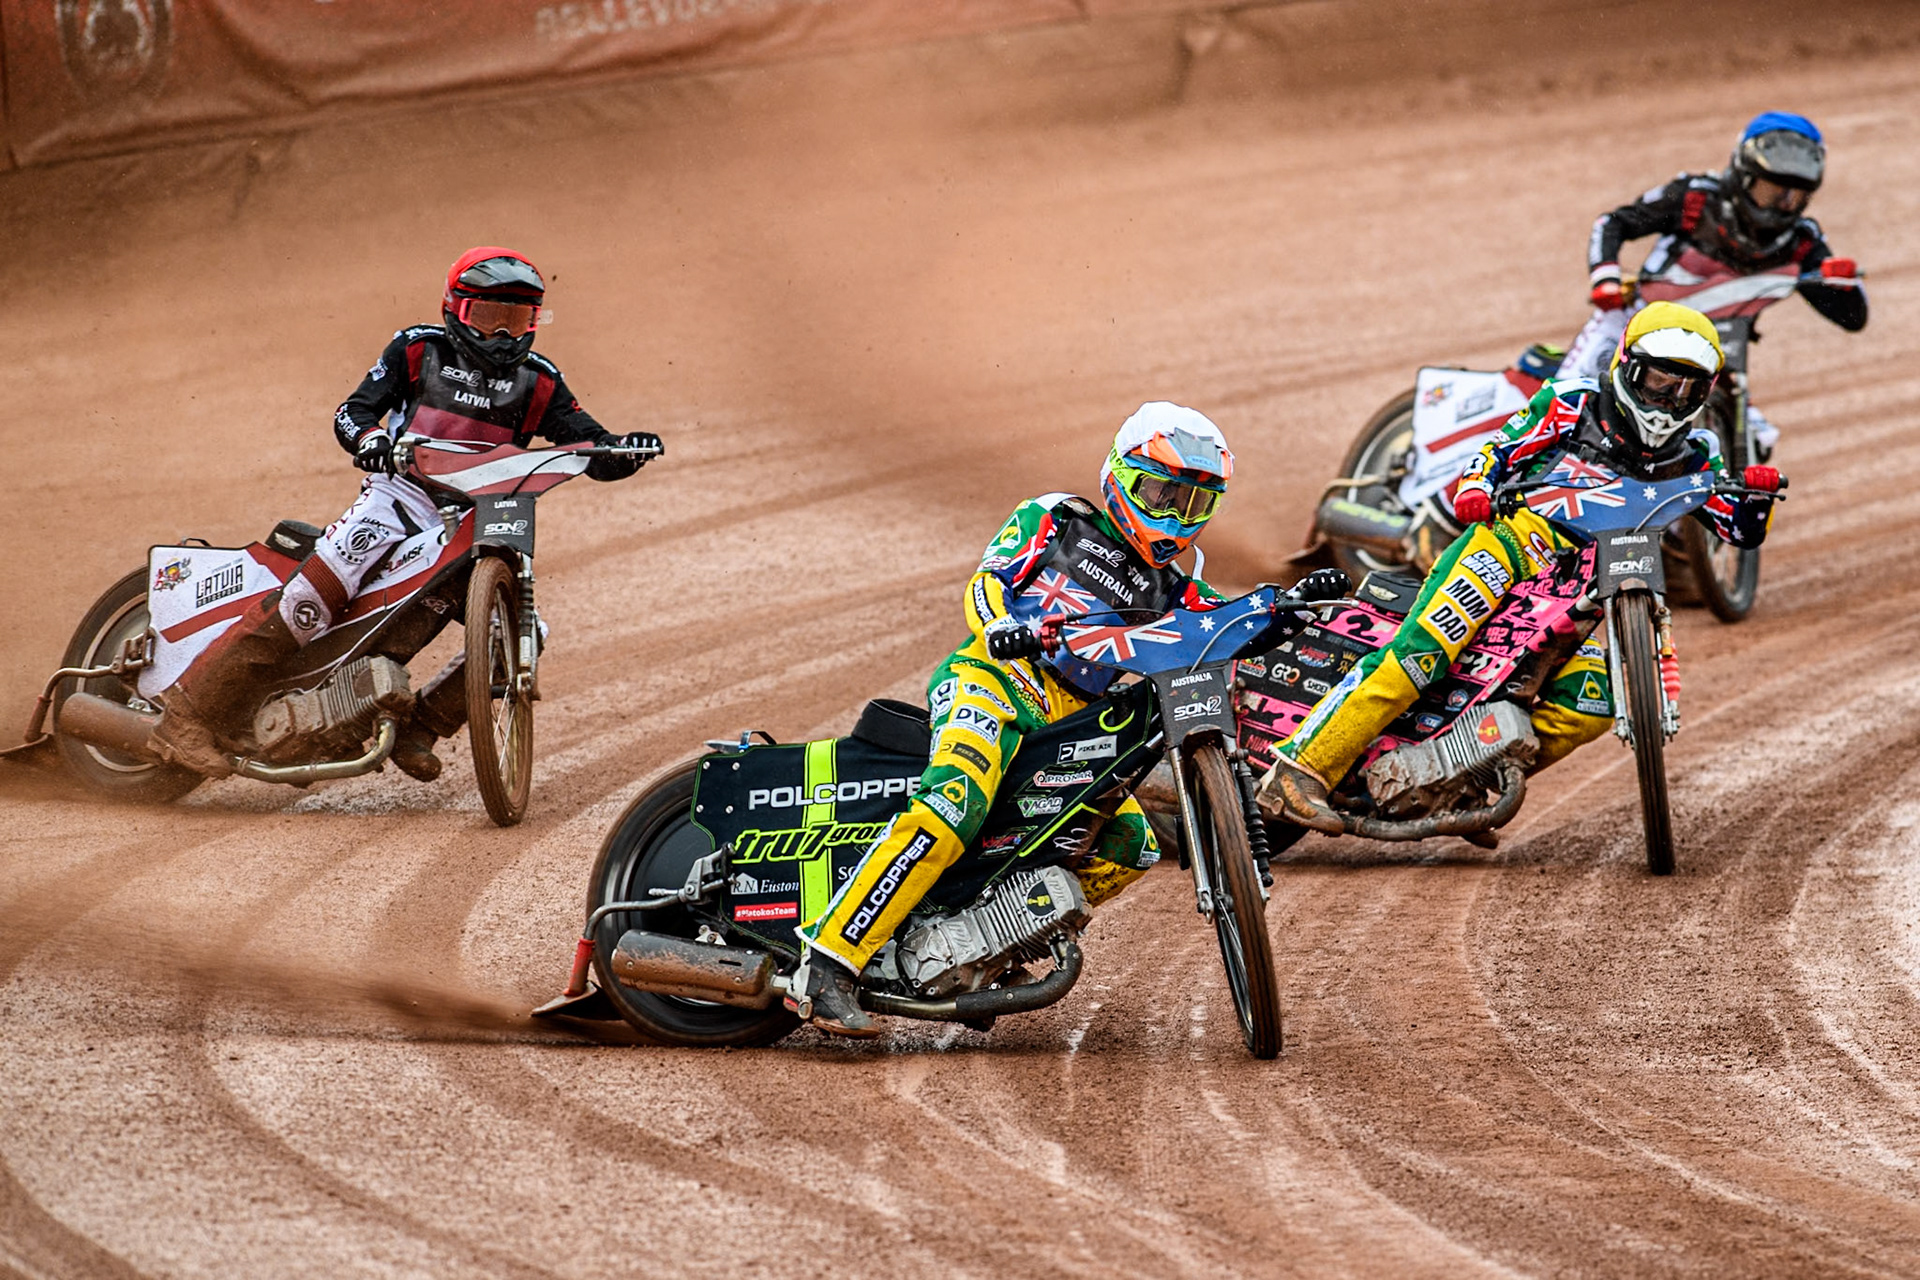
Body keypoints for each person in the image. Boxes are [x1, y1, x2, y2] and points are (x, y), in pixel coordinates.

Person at [785, 403, 1342, 1036]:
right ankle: (826, 963)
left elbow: (1216, 623)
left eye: (1194, 504)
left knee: (1129, 845)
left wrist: (1284, 610)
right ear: (1120, 476)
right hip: (992, 683)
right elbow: (986, 583)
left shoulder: (1174, 586)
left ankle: (988, 946)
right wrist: (1002, 623)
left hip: (1076, 726)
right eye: (1163, 494)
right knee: (951, 805)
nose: (1174, 518)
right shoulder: (1055, 519)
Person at [1258, 303, 1783, 832]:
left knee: (1597, 696)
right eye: (1658, 381)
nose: (1668, 401)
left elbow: (1738, 529)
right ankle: (1299, 769)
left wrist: (1757, 497)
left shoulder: (1698, 450)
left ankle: (1455, 782)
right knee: (1420, 658)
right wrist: (1475, 489)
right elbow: (1497, 451)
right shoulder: (1571, 402)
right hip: (1509, 548)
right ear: (1627, 365)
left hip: (1585, 589)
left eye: (1686, 390)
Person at [147, 247, 661, 779]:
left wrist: (627, 450)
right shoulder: (417, 349)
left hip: (472, 519)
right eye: (488, 317)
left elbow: (594, 452)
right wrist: (370, 439)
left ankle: (420, 727)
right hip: (395, 498)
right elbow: (353, 412)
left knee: (525, 633)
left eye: (518, 319)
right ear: (455, 309)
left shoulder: (541, 380)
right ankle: (186, 718)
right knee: (311, 602)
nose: (504, 335)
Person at [1560, 111, 1867, 459]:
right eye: (1772, 190)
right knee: (1564, 400)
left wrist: (1842, 285)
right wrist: (1606, 278)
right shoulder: (1696, 199)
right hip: (1631, 327)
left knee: (1761, 444)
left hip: (1720, 353)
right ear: (1744, 174)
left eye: (1794, 196)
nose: (1783, 204)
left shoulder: (1802, 239)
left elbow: (1853, 318)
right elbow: (1614, 223)